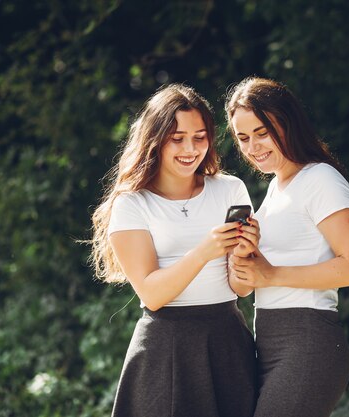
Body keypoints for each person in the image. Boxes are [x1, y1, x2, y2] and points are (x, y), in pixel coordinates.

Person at [90, 84, 258, 417]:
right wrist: (204, 252)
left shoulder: (230, 189)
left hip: (226, 338)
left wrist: (243, 256)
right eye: (177, 138)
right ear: (155, 139)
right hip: (165, 345)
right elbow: (152, 294)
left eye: (199, 137)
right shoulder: (131, 204)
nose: (190, 148)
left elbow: (242, 287)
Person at [224, 77, 349, 417]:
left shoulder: (321, 179)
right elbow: (247, 286)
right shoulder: (276, 188)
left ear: (287, 123)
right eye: (243, 138)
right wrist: (244, 258)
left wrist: (271, 273)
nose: (253, 147)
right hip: (269, 341)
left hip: (308, 339)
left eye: (262, 132)